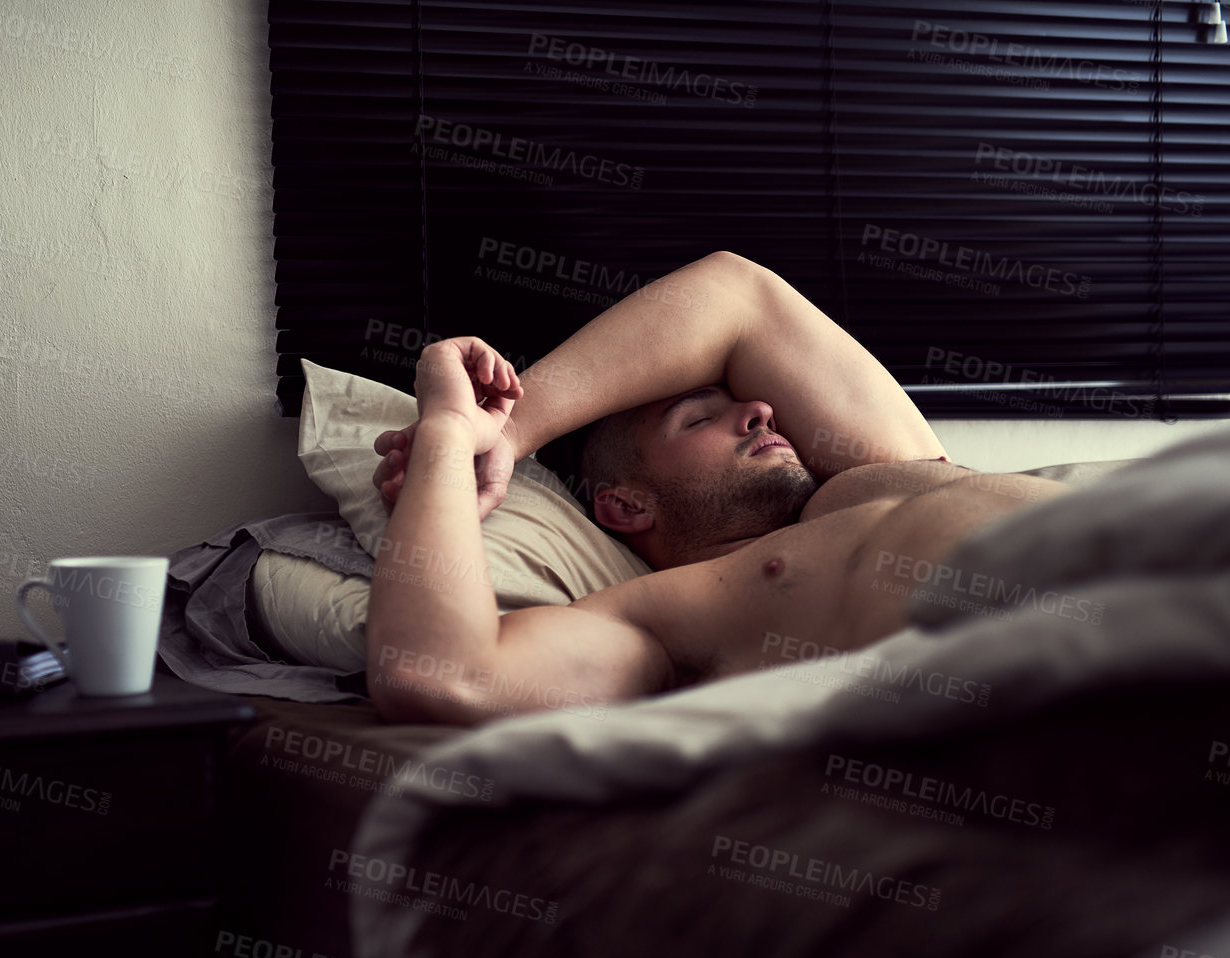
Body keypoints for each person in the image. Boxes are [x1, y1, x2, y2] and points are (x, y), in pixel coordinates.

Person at [364, 250, 1071, 724]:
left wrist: (515, 431)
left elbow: (736, 295)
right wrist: (452, 436)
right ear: (624, 503)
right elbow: (440, 674)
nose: (760, 407)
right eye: (698, 417)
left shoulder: (867, 477)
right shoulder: (662, 620)